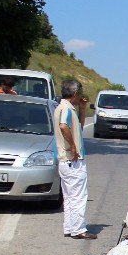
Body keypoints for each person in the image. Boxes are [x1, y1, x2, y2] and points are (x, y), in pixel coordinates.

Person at [54, 80, 95, 240]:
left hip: (66, 161)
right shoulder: (65, 108)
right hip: (73, 161)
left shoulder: (65, 107)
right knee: (79, 196)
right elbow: (64, 126)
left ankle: (70, 227)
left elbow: (78, 126)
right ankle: (78, 229)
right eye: (80, 95)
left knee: (70, 196)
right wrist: (72, 146)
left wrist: (82, 110)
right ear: (75, 94)